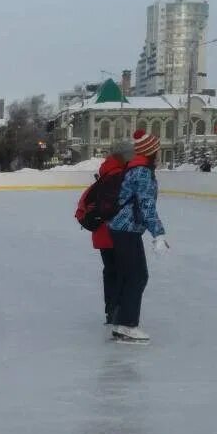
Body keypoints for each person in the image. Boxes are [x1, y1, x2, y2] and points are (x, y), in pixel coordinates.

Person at [107, 129, 168, 343]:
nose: (159, 155)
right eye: (157, 151)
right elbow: (146, 205)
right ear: (151, 152)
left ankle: (120, 322)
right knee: (137, 276)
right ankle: (127, 325)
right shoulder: (142, 172)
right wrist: (158, 234)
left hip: (121, 227)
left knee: (128, 275)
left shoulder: (135, 169)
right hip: (126, 228)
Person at [76, 139, 133, 324]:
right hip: (115, 232)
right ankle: (117, 312)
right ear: (124, 156)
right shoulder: (119, 175)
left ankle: (111, 311)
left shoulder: (106, 174)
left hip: (102, 233)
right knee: (122, 272)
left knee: (111, 271)